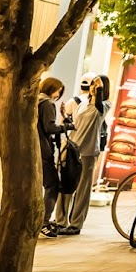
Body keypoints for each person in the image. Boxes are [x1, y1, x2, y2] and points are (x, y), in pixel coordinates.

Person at [53, 77, 105, 234]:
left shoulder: (104, 105)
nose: (92, 87)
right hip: (72, 149)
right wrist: (65, 116)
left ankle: (75, 225)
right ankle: (61, 221)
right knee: (65, 185)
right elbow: (75, 124)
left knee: (83, 189)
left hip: (88, 152)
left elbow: (97, 110)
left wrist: (99, 92)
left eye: (96, 85)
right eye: (92, 84)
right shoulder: (82, 104)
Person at [37, 77, 70, 235]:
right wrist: (66, 126)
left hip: (34, 148)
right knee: (52, 186)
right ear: (52, 89)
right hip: (44, 150)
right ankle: (43, 222)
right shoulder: (48, 103)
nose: (59, 94)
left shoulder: (36, 101)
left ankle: (39, 220)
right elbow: (49, 128)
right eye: (58, 90)